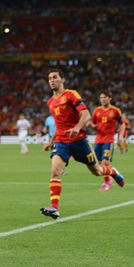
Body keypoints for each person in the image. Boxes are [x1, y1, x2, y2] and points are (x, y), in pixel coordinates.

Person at [40, 69, 125, 220]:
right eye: (49, 78)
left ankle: (113, 173)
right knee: (55, 171)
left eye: (55, 77)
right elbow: (59, 125)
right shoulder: (50, 102)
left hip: (78, 140)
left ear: (62, 80)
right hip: (61, 141)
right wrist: (51, 141)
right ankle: (54, 208)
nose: (52, 80)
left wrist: (77, 128)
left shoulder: (71, 94)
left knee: (97, 171)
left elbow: (86, 114)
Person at [90, 90, 125, 191]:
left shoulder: (115, 110)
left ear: (110, 98)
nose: (103, 99)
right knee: (98, 165)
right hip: (98, 140)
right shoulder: (96, 110)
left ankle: (107, 183)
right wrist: (90, 125)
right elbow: (94, 125)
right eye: (101, 98)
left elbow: (122, 123)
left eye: (105, 97)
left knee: (105, 161)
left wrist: (121, 136)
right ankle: (113, 173)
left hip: (108, 140)